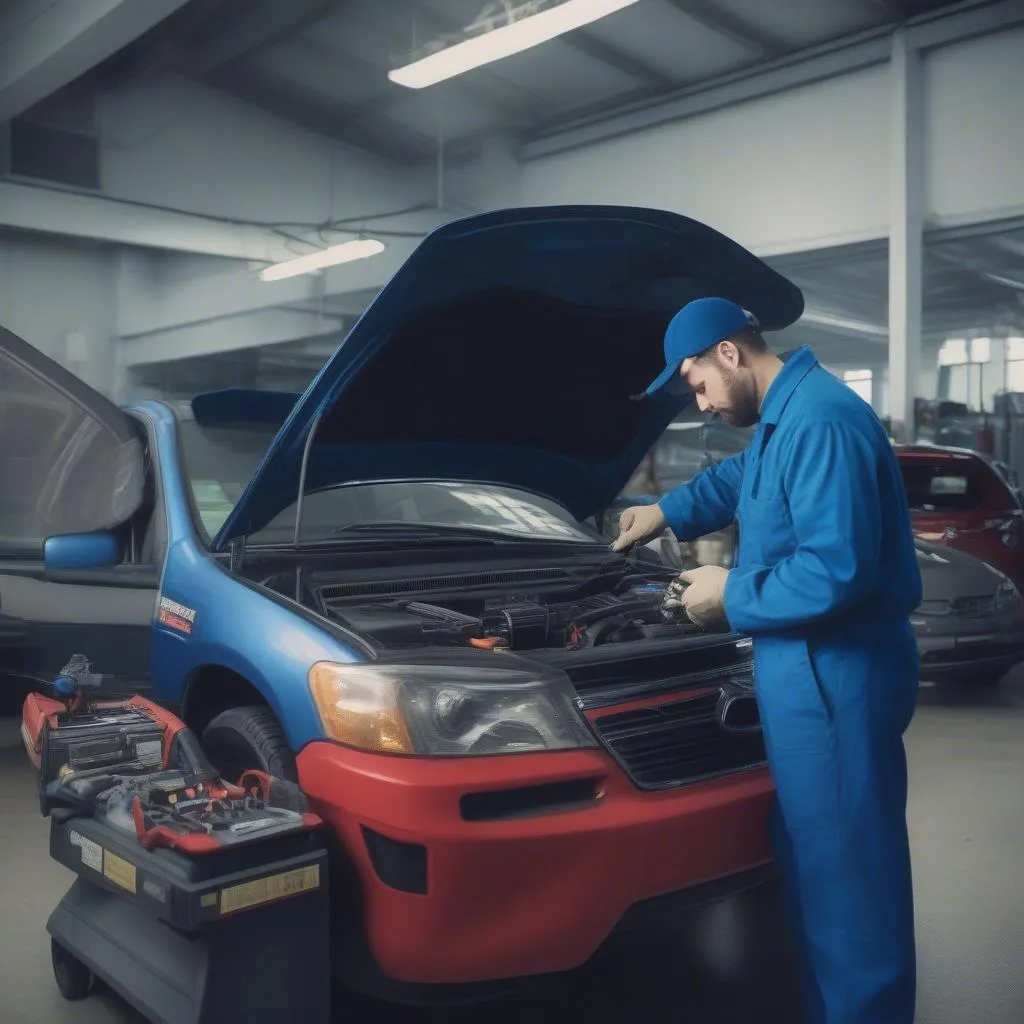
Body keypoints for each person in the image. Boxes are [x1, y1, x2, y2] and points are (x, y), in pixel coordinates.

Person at [612, 297, 922, 1024]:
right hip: (804, 676)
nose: (701, 402)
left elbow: (835, 570)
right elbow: (737, 483)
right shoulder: (785, 420)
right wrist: (666, 511)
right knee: (817, 867)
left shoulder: (821, 421)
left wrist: (731, 593)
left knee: (850, 884)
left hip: (836, 676)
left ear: (729, 353)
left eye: (696, 384)